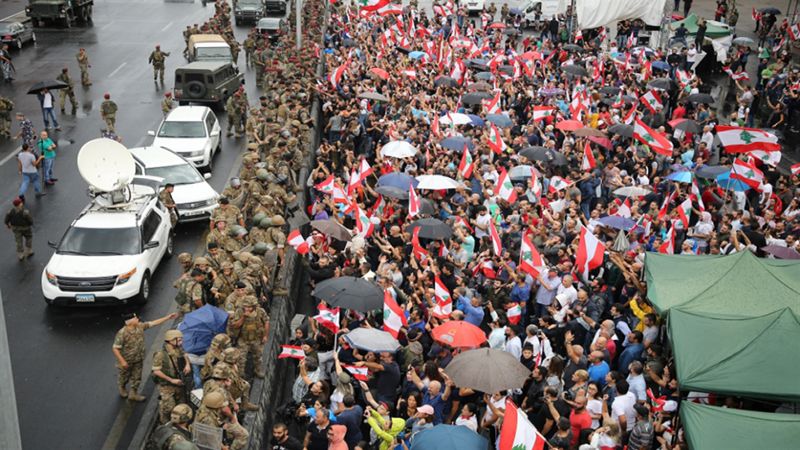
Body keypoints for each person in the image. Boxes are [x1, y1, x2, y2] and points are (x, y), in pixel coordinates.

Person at [112, 312, 176, 401]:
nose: (137, 318)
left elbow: (153, 323)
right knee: (124, 376)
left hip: (139, 358)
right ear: (130, 321)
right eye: (135, 318)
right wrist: (122, 361)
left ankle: (133, 394)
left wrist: (167, 317)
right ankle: (122, 387)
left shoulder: (140, 326)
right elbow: (115, 348)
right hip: (127, 360)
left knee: (137, 377)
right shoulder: (122, 333)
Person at [151, 329, 192, 423]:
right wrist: (171, 380)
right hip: (166, 385)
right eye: (179, 339)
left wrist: (187, 364)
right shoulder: (160, 354)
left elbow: (184, 354)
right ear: (171, 340)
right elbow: (156, 371)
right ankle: (164, 424)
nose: (181, 342)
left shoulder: (178, 348)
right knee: (167, 408)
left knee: (181, 404)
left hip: (179, 382)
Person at [230, 295, 269, 378]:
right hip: (243, 339)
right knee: (241, 359)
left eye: (249, 307)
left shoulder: (260, 312)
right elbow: (235, 326)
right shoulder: (239, 312)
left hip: (256, 339)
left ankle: (257, 371)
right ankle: (240, 375)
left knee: (258, 357)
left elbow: (266, 322)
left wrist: (265, 335)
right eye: (245, 306)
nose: (247, 308)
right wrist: (243, 317)